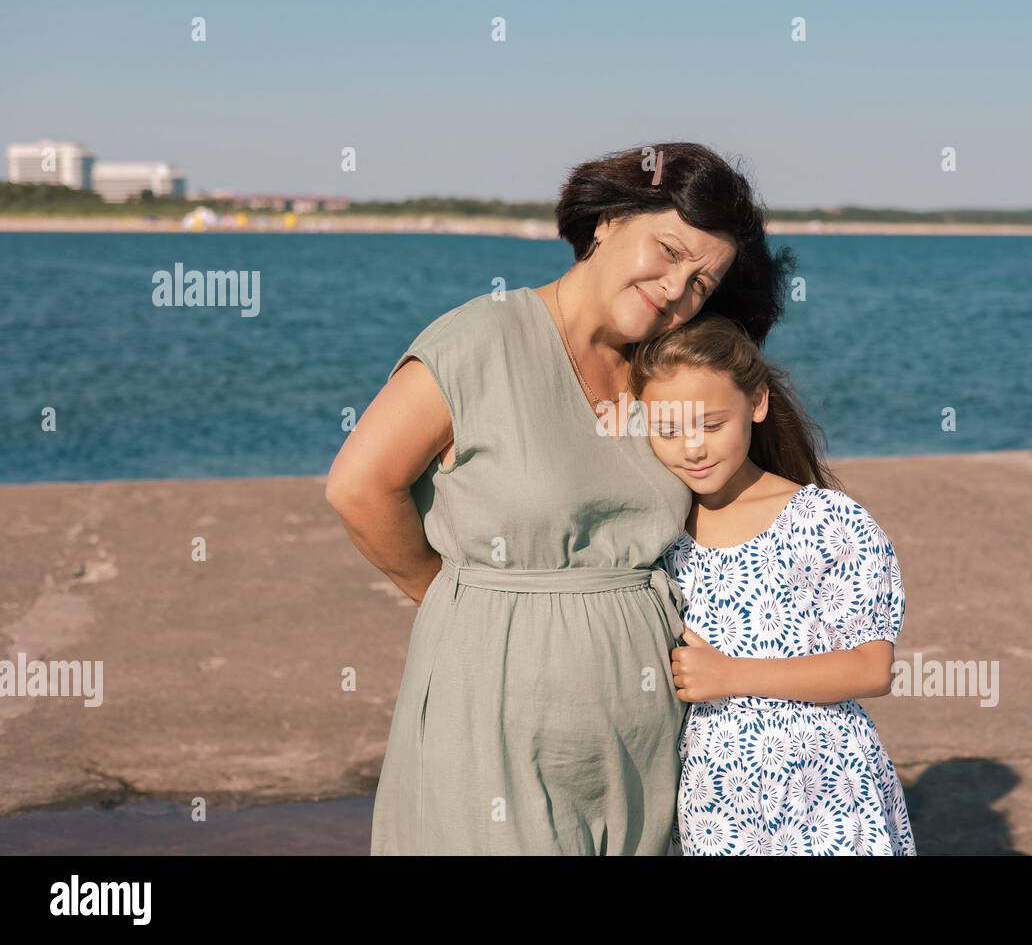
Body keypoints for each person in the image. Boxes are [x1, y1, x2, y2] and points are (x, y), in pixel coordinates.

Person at [325, 142, 796, 854]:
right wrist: (462, 601)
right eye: (666, 251)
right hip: (496, 711)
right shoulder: (481, 340)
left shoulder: (665, 368)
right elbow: (360, 486)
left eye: (702, 281)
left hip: (646, 734)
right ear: (607, 221)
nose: (675, 288)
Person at [630, 314, 916, 855]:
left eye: (711, 425)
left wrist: (731, 674)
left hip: (824, 791)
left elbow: (870, 668)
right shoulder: (658, 533)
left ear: (756, 403)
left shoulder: (826, 521)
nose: (692, 448)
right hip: (715, 802)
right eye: (668, 430)